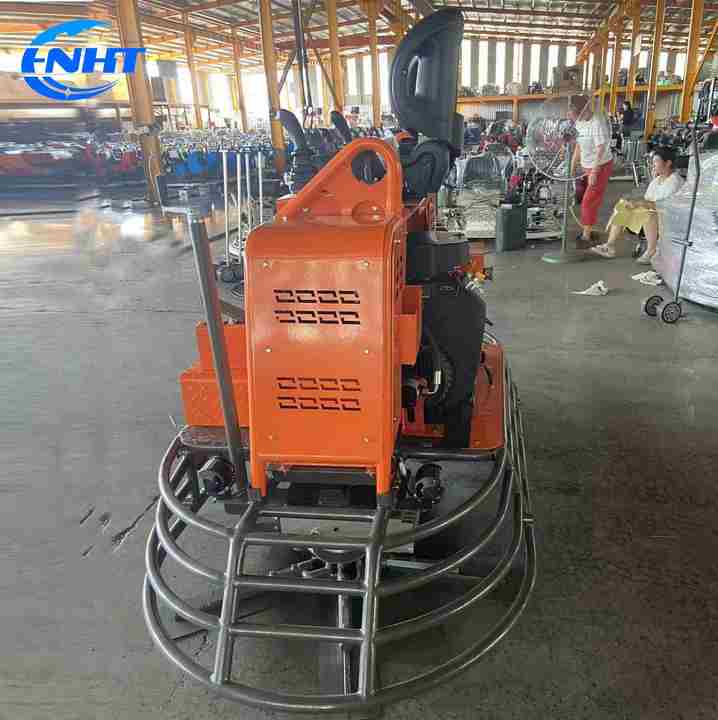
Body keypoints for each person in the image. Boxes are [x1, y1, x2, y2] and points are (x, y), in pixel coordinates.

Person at [590, 147, 684, 263]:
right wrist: (633, 204)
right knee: (623, 206)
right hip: (655, 213)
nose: (653, 165)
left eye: (656, 161)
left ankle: (651, 250)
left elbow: (663, 206)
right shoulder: (657, 180)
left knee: (648, 213)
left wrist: (640, 204)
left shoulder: (675, 181)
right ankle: (610, 246)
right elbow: (647, 200)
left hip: (668, 219)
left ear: (668, 163)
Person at [569, 95, 613, 246]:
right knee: (585, 198)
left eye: (575, 113)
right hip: (587, 165)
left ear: (583, 110)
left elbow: (601, 149)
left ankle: (586, 237)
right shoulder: (579, 123)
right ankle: (588, 229)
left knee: (588, 201)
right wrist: (572, 167)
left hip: (600, 165)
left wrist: (594, 171)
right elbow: (579, 146)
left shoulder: (597, 123)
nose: (574, 117)